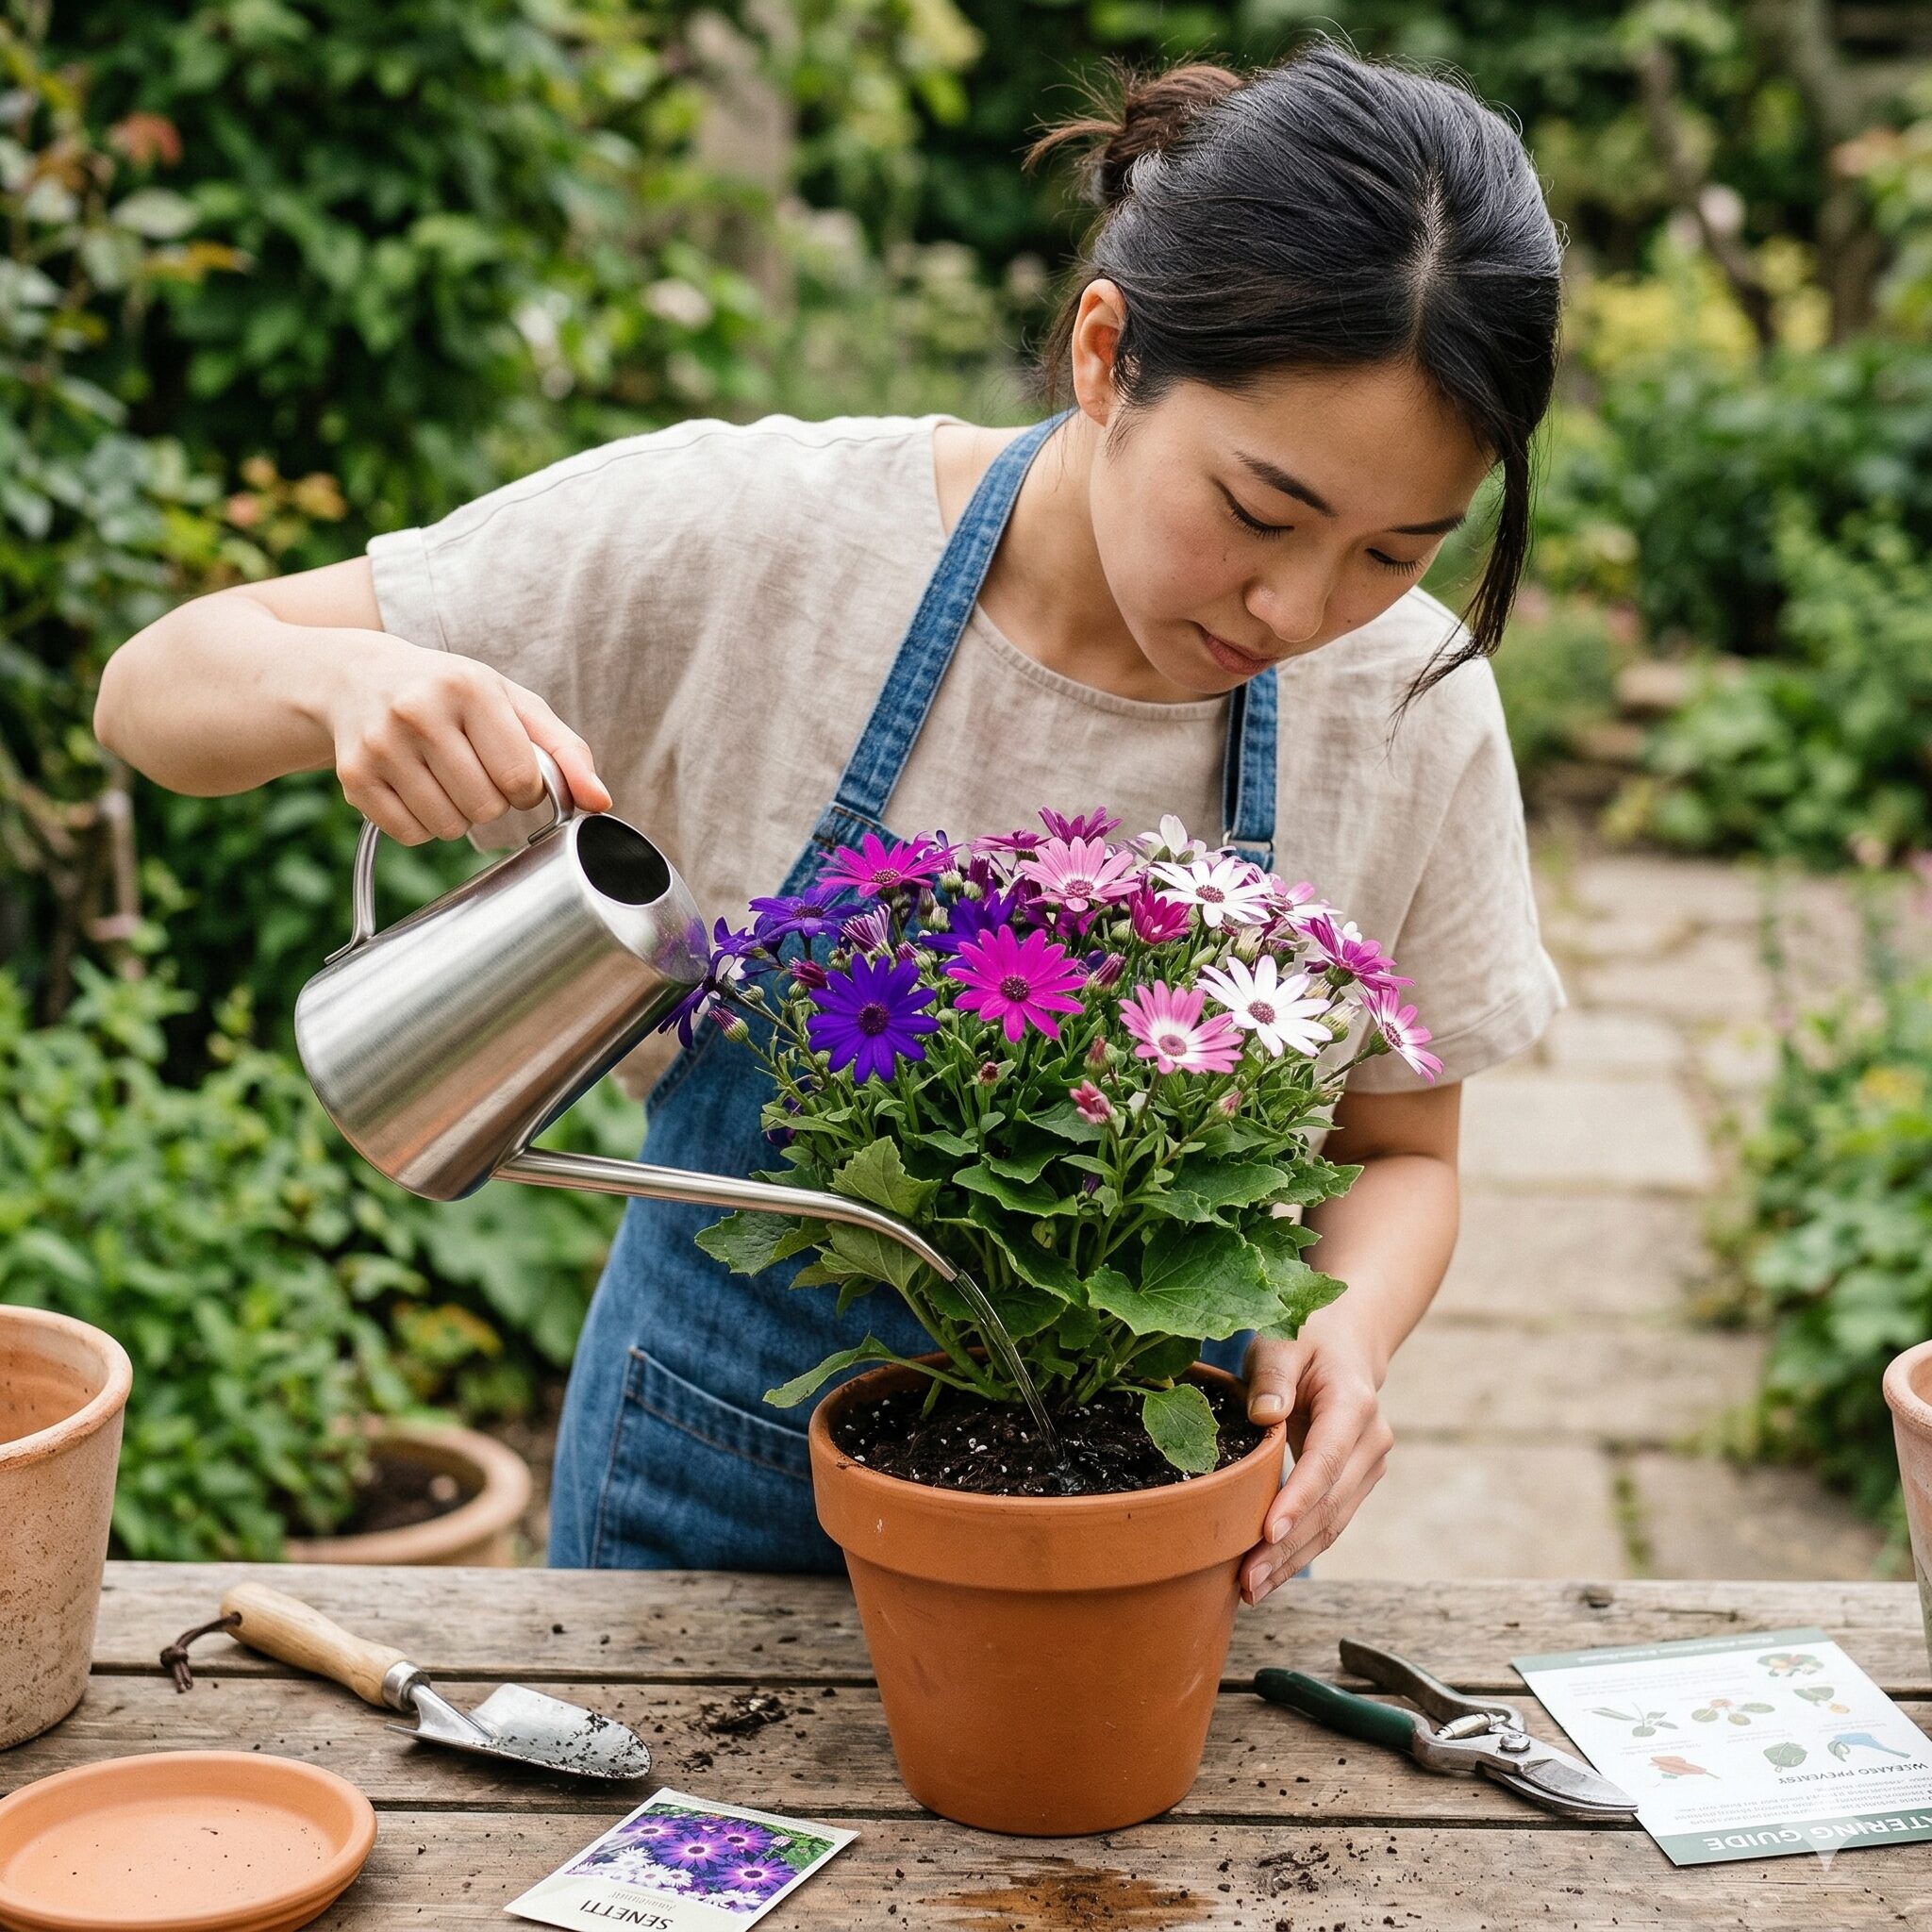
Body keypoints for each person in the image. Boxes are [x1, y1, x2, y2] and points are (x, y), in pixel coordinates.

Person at [97, 41, 1565, 1604]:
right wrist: (345, 681)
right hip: (703, 1516)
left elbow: (1399, 1149)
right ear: (1104, 353)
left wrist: (1349, 1329)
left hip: (1152, 1540)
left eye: (1393, 552)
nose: (1298, 610)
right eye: (1261, 513)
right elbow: (155, 687)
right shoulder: (756, 543)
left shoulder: (1408, 702)